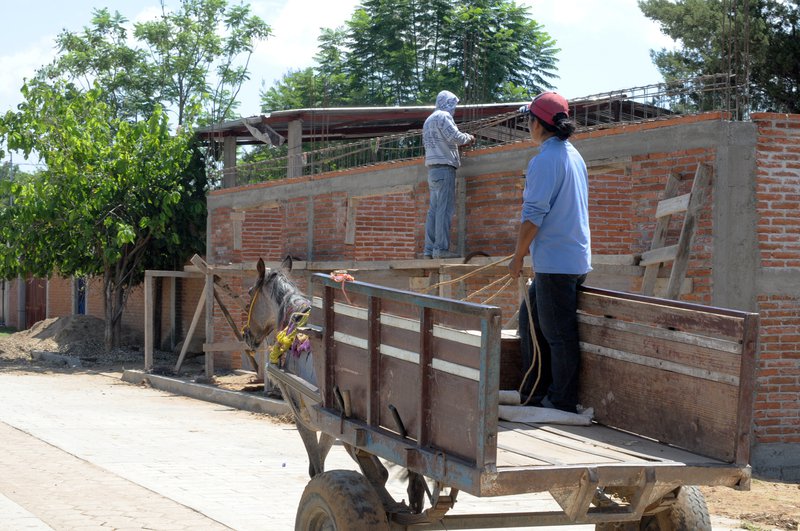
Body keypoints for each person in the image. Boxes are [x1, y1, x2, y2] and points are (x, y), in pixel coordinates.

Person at [507, 92, 591, 414]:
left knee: (558, 334)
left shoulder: (544, 160)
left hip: (557, 262)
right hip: (569, 258)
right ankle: (535, 390)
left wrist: (518, 257)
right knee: (530, 320)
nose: (527, 126)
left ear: (537, 124)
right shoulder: (573, 155)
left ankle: (561, 400)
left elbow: (533, 217)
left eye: (528, 120)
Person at [422, 90, 474, 259]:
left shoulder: (429, 120)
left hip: (432, 170)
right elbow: (455, 137)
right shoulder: (443, 116)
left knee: (433, 211)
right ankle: (441, 250)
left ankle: (429, 250)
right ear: (448, 103)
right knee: (444, 211)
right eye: (453, 104)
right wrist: (469, 138)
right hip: (445, 169)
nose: (454, 109)